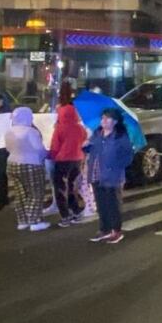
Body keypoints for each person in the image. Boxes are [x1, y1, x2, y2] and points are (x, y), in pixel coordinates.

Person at [85, 107, 134, 244]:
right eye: (102, 118)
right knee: (101, 204)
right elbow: (91, 150)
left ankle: (116, 231)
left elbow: (128, 156)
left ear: (115, 121)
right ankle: (104, 229)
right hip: (96, 174)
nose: (104, 120)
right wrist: (86, 145)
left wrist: (115, 165)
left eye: (107, 118)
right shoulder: (97, 134)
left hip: (112, 175)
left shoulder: (120, 137)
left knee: (113, 204)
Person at [4, 107, 50, 232]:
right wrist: (46, 154)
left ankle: (22, 221)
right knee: (35, 193)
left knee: (20, 193)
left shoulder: (9, 131)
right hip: (31, 164)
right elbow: (39, 149)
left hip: (12, 164)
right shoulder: (30, 132)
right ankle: (34, 221)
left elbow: (7, 148)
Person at [48, 104, 88, 228]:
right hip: (77, 160)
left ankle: (65, 216)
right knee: (72, 186)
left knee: (60, 188)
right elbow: (84, 140)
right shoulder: (80, 128)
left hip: (63, 161)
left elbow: (54, 146)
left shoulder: (60, 128)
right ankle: (76, 211)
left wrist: (51, 156)